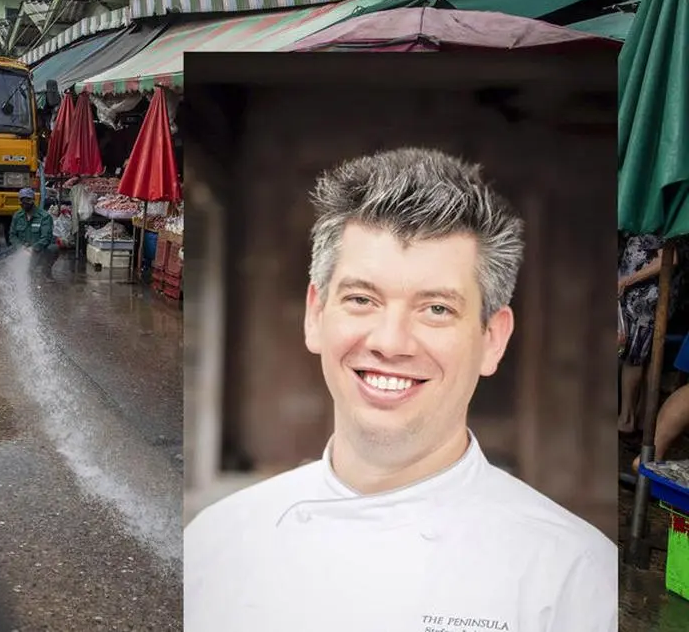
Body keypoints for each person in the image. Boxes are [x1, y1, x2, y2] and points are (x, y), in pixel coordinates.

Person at [183, 148, 615, 632]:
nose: (390, 342)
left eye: (436, 309)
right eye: (362, 299)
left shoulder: (574, 577)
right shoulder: (216, 541)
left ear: (492, 339)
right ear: (316, 315)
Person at [619, 233, 677, 433]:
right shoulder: (643, 224)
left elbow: (670, 258)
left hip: (644, 303)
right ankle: (640, 418)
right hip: (636, 301)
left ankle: (627, 419)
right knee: (641, 358)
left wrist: (628, 280)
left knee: (634, 358)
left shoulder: (654, 225)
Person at [8, 188, 57, 278]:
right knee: (18, 271)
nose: (24, 203)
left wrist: (33, 249)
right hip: (23, 249)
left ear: (33, 200)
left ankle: (46, 271)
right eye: (22, 200)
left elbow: (46, 238)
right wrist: (20, 247)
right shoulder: (17, 216)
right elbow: (12, 235)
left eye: (28, 200)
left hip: (39, 250)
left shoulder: (44, 217)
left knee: (53, 248)